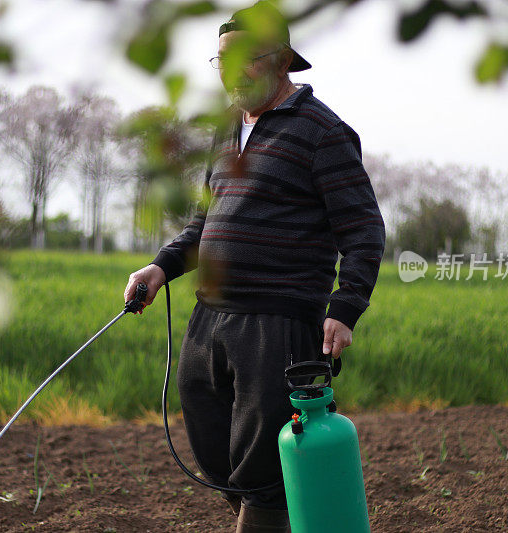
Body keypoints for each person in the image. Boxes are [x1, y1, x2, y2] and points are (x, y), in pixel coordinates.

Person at [123, 2, 385, 531]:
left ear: (281, 59)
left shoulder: (322, 132)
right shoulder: (227, 133)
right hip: (209, 319)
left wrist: (346, 308)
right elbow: (204, 222)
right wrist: (161, 268)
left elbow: (363, 230)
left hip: (277, 323)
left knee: (263, 468)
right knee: (214, 451)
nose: (231, 71)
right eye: (222, 59)